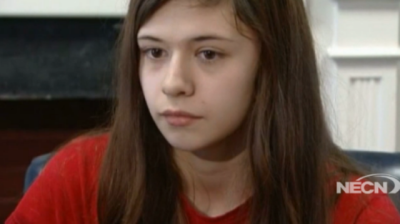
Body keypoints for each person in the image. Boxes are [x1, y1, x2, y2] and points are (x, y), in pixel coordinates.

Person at [6, 0, 400, 223]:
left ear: (271, 65)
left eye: (208, 53)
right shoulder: (80, 175)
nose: (173, 82)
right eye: (155, 52)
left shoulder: (353, 207)